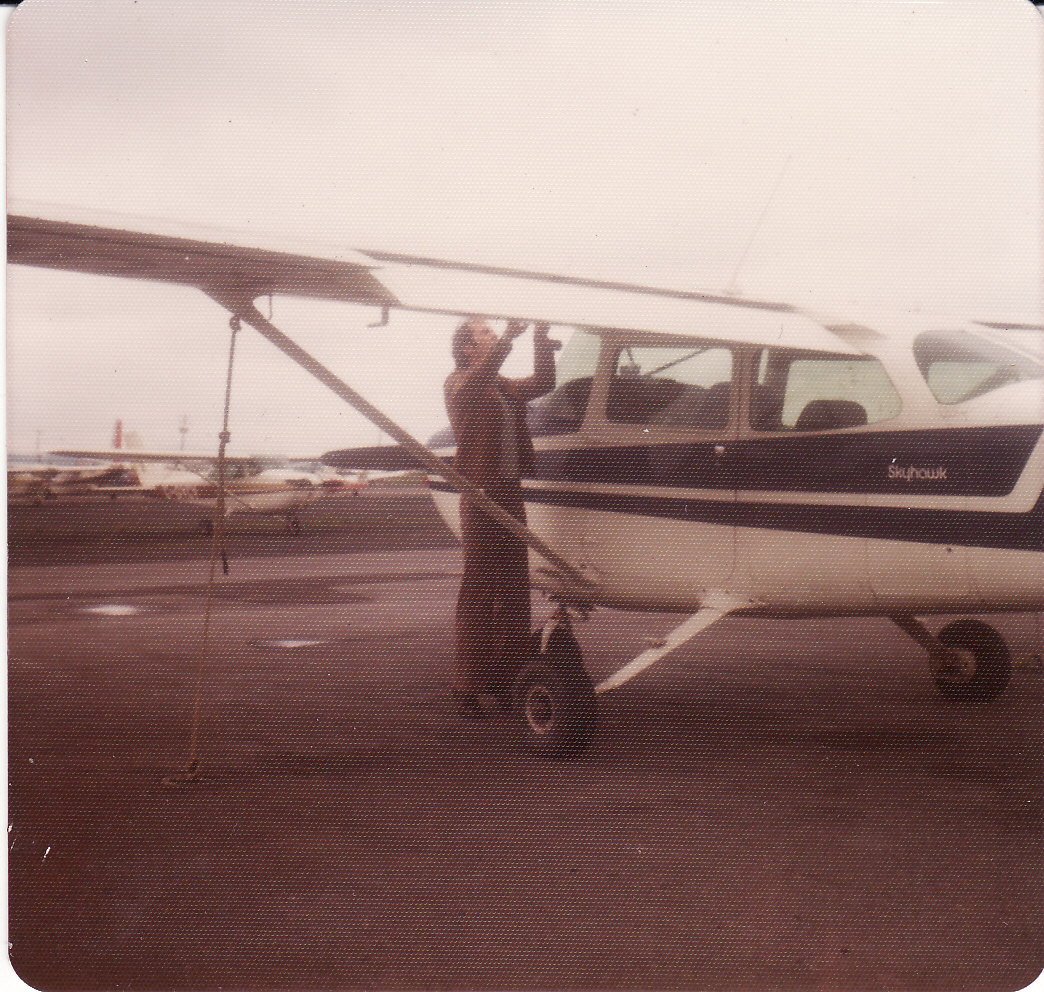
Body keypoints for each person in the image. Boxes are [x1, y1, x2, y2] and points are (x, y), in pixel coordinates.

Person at [444, 316, 557, 717]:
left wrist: (541, 338)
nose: (492, 336)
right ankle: (468, 681)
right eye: (484, 333)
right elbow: (478, 380)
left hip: (508, 491)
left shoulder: (501, 386)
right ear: (468, 350)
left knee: (513, 585)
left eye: (494, 331)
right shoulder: (459, 383)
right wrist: (509, 337)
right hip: (479, 492)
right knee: (480, 584)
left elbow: (543, 383)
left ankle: (507, 677)